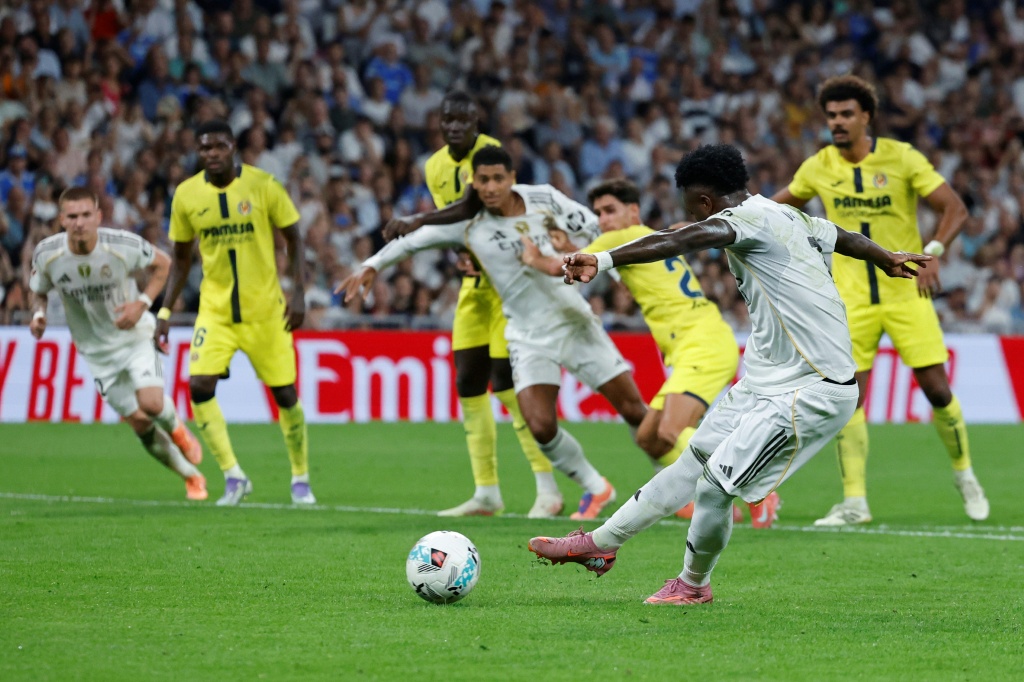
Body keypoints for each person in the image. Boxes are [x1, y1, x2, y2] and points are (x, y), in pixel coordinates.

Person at [528, 144, 931, 604]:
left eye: (691, 209)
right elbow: (839, 234)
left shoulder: (743, 222)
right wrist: (884, 257)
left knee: (716, 485)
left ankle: (693, 586)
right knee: (691, 461)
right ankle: (600, 545)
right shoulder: (785, 214)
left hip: (814, 390)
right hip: (765, 381)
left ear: (703, 202)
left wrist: (603, 260)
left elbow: (679, 241)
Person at [341, 145, 649, 520]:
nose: (490, 187)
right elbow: (413, 242)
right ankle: (597, 487)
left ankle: (677, 483)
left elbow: (596, 229)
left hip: (573, 321)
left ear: (512, 178)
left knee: (633, 409)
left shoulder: (544, 199)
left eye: (497, 179)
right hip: (526, 333)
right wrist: (372, 265)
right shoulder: (466, 225)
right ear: (473, 182)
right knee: (539, 425)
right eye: (482, 180)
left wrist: (621, 272)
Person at [771, 75, 988, 525]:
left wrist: (933, 254)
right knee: (849, 399)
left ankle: (965, 474)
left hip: (906, 291)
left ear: (866, 116)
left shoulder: (902, 157)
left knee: (936, 390)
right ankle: (854, 502)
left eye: (846, 114)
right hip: (850, 300)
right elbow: (772, 209)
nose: (838, 122)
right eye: (831, 115)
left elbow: (955, 208)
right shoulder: (818, 166)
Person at [519, 178, 779, 529]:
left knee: (670, 431)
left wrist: (534, 257)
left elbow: (561, 267)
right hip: (699, 341)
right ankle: (703, 496)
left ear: (633, 211)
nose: (604, 219)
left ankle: (756, 485)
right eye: (598, 212)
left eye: (611, 210)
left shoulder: (617, 238)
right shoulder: (654, 236)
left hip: (701, 341)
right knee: (648, 437)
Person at [384, 91, 560, 519]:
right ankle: (486, 492)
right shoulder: (433, 165)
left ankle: (547, 487)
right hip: (474, 285)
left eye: (464, 119)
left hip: (510, 286)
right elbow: (459, 223)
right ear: (439, 122)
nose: (456, 126)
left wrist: (418, 220)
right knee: (468, 382)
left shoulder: (491, 158)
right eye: (448, 119)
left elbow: (474, 208)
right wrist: (457, 253)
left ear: (477, 120)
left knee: (506, 382)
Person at [155, 120, 312, 507]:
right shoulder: (187, 195)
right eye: (204, 148)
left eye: (218, 147)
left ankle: (301, 477)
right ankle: (233, 475)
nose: (211, 154)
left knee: (286, 395)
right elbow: (180, 258)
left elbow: (294, 238)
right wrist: (163, 311)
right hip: (216, 312)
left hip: (266, 311)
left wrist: (299, 294)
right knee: (198, 386)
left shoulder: (263, 185)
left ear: (232, 147)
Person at [29, 187, 206, 501]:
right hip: (96, 352)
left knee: (151, 403)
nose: (80, 222)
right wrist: (39, 313)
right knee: (139, 423)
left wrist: (142, 303)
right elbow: (38, 289)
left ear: (98, 216)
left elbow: (164, 264)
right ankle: (191, 476)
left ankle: (177, 428)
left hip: (135, 336)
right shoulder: (48, 254)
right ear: (61, 219)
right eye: (72, 216)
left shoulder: (122, 245)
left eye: (86, 215)